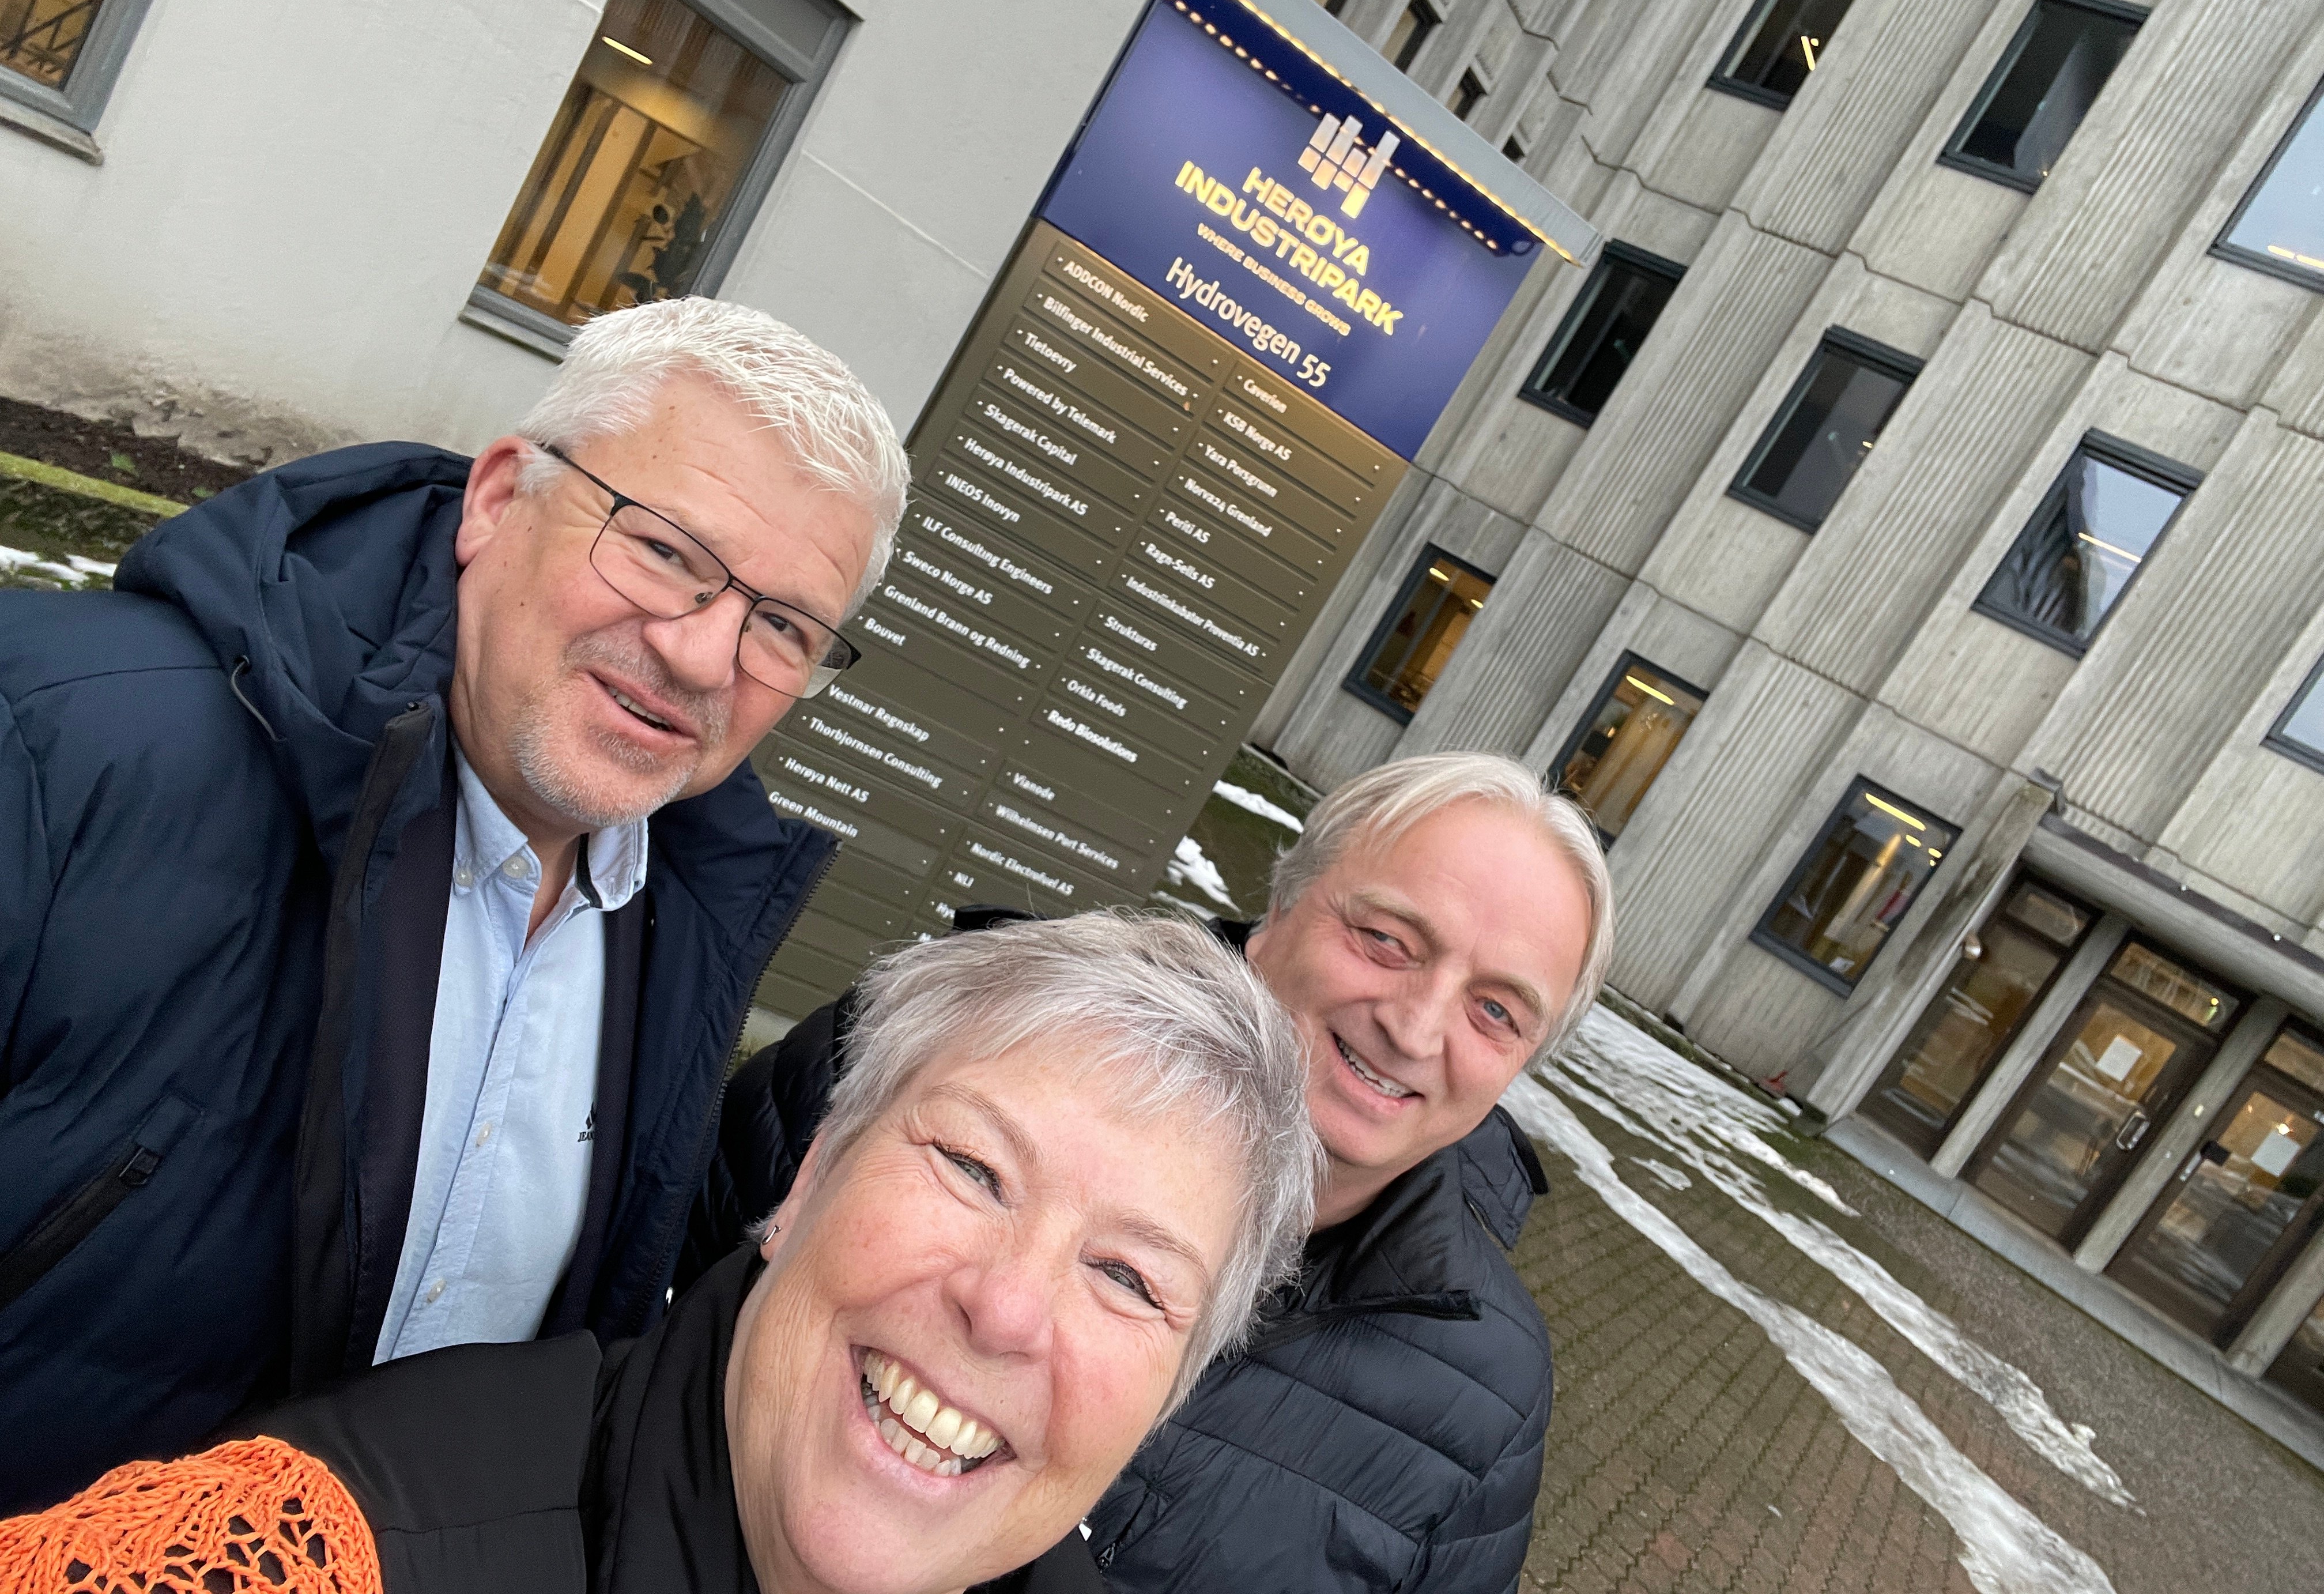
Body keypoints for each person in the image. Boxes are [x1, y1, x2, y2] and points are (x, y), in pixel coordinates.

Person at [0, 298, 909, 1514]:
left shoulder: (685, 921)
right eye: (663, 551)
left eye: (782, 627)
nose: (703, 657)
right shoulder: (61, 742)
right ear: (497, 499)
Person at [0, 913, 1321, 1594]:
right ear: (803, 1184)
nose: (1008, 1308)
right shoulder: (316, 1555)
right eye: (974, 1170)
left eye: (1131, 1279)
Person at [687, 752, 1615, 1593]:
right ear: (1283, 908)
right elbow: (645, 1318)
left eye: (1496, 1011)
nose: (1415, 1029)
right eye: (1385, 940)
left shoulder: (1485, 1391)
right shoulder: (930, 1061)